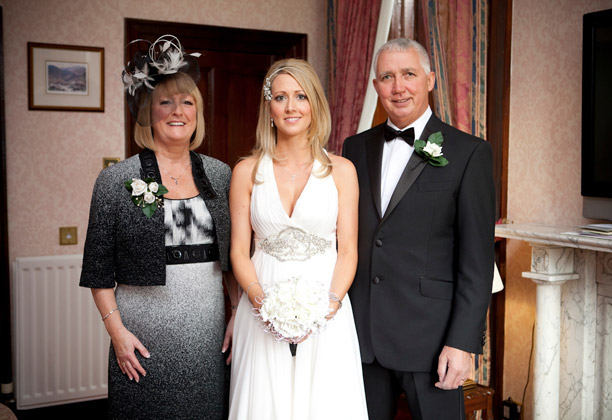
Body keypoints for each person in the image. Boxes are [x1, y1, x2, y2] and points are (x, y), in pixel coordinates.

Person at [80, 35, 237, 420]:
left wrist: (237, 317)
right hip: (142, 338)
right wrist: (117, 335)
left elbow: (232, 258)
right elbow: (98, 273)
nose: (177, 110)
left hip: (207, 336)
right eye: (165, 102)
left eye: (187, 102)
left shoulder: (221, 174)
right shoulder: (115, 180)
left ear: (197, 111)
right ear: (148, 111)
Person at [342, 38, 495, 420]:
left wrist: (462, 344)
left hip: (431, 342)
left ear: (429, 79)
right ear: (376, 86)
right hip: (360, 337)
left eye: (409, 74)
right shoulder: (353, 149)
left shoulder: (469, 153)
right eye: (387, 77)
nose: (399, 87)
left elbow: (477, 263)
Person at [228, 58, 369, 420]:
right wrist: (263, 305)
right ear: (269, 108)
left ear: (315, 105)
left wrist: (328, 308)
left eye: (301, 96)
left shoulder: (342, 171)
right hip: (261, 309)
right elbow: (239, 254)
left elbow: (349, 251)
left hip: (328, 309)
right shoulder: (246, 172)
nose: (291, 106)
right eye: (280, 97)